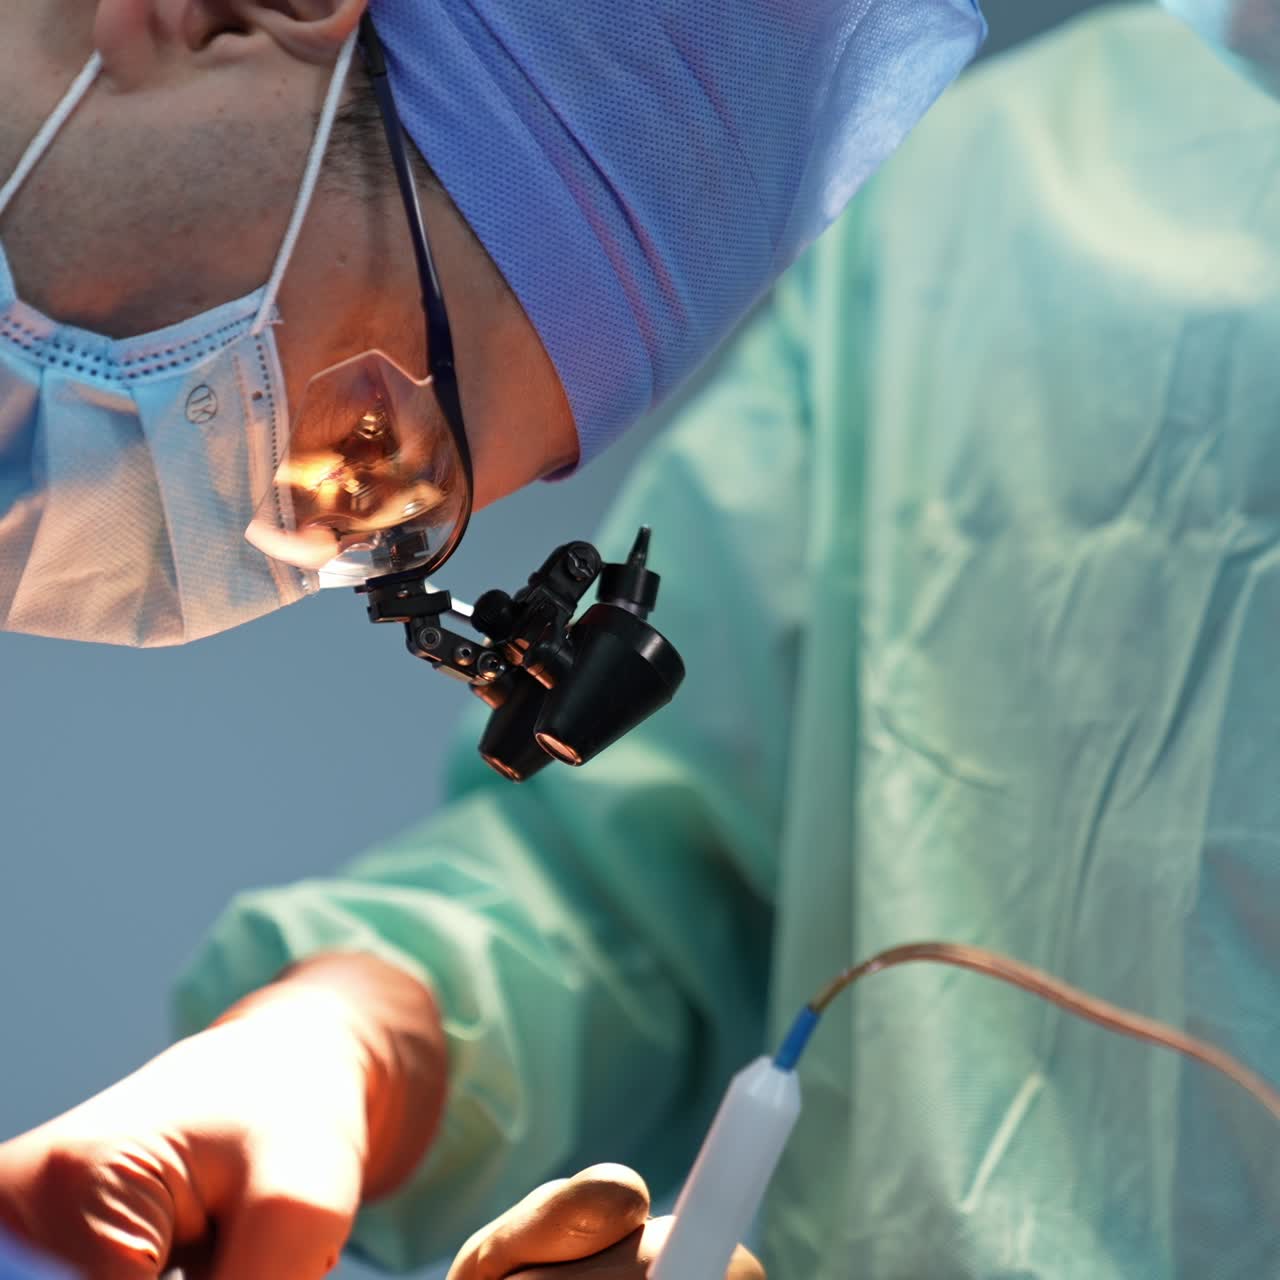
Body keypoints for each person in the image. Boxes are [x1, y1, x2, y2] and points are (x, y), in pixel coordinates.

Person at [7, 1, 1280, 1279]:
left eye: (382, 510)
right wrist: (351, 1034)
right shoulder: (1012, 204)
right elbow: (651, 880)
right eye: (364, 444)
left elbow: (654, 894)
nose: (235, 528)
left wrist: (345, 1052)